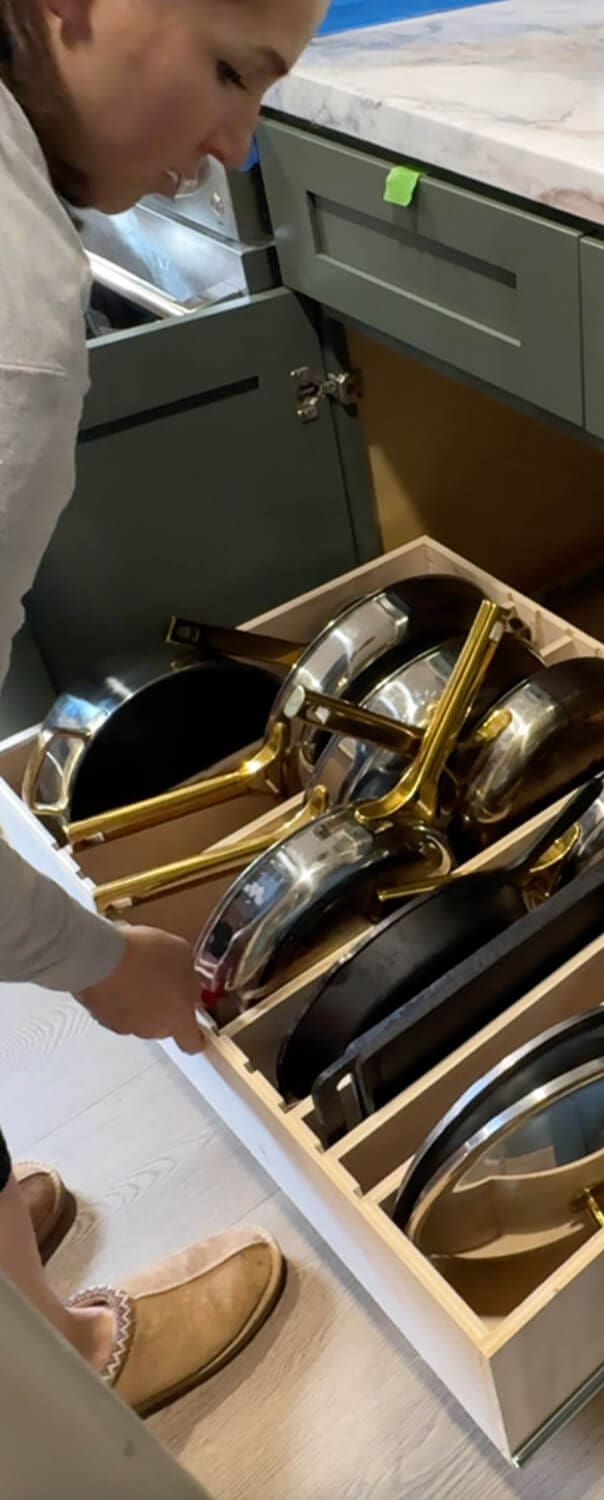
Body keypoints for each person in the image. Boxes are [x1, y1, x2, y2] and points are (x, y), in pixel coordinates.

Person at [0, 0, 326, 1416]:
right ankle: (52, 1367)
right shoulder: (9, 320)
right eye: (229, 69)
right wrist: (94, 958)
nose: (230, 146)